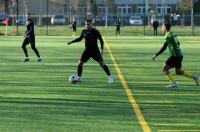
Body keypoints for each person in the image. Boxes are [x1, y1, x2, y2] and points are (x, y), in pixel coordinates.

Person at [152, 22, 199, 87]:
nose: (161, 29)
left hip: (175, 56)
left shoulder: (168, 35)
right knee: (178, 72)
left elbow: (164, 47)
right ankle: (194, 77)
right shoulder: (173, 34)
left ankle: (173, 83)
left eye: (162, 27)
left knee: (165, 69)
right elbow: (178, 43)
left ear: (165, 28)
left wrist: (156, 55)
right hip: (180, 55)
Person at [67, 19, 113, 84]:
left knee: (102, 64)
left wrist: (102, 49)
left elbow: (101, 40)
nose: (87, 25)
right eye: (86, 24)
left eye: (88, 24)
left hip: (95, 51)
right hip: (87, 51)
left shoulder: (95, 31)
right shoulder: (84, 31)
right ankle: (79, 77)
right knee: (80, 63)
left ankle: (110, 77)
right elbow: (80, 39)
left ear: (91, 24)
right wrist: (71, 42)